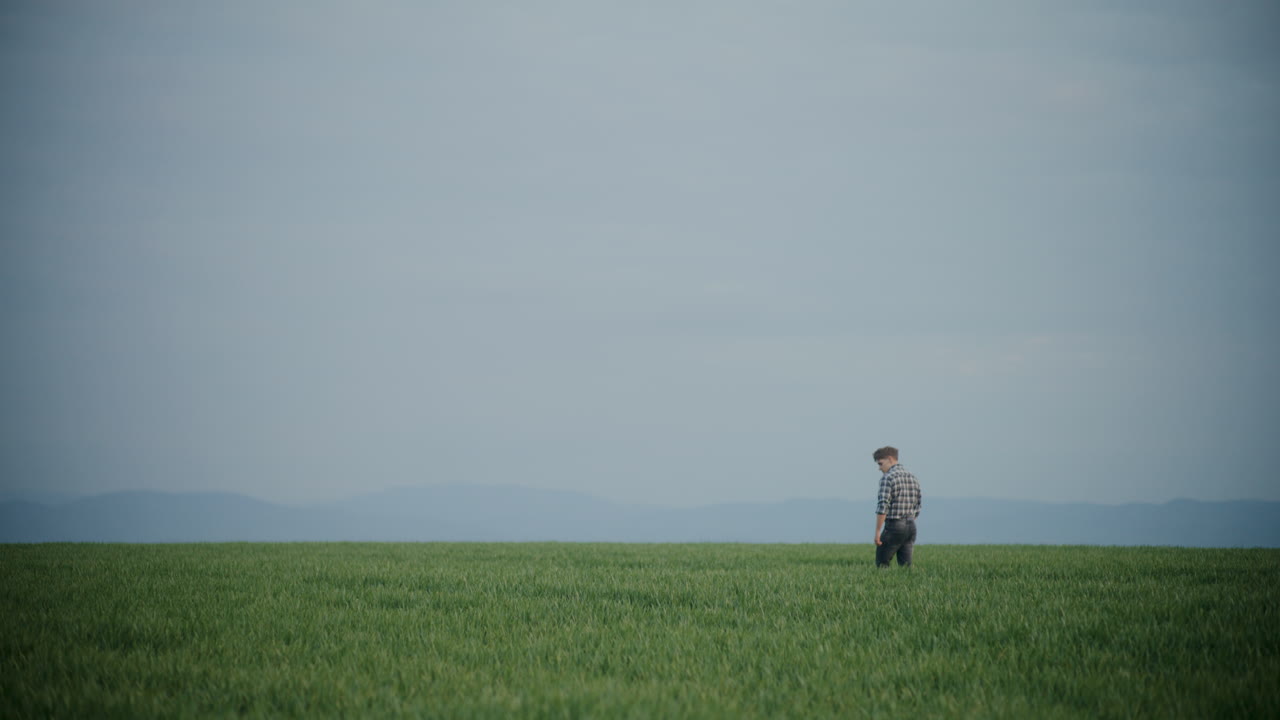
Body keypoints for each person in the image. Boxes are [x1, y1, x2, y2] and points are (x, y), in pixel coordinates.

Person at [872, 446, 922, 568]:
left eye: (880, 463)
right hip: (911, 526)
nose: (879, 468)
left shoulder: (888, 478)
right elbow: (918, 505)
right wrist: (908, 520)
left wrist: (878, 531)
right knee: (906, 567)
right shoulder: (912, 477)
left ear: (890, 459)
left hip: (894, 525)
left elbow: (883, 506)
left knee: (882, 564)